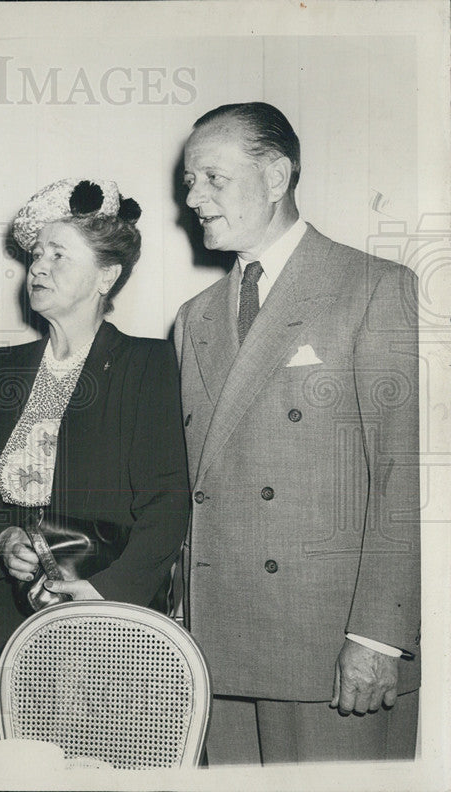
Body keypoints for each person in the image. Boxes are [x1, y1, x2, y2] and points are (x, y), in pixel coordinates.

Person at [174, 102, 420, 763]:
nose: (193, 198)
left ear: (277, 175)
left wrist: (376, 637)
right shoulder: (192, 318)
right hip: (215, 647)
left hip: (328, 651)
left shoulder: (373, 289)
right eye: (189, 182)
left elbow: (406, 478)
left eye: (212, 179)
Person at [0, 178, 191, 747]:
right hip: (13, 613)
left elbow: (168, 500)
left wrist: (109, 592)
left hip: (107, 612)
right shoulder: (3, 369)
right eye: (36, 255)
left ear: (107, 276)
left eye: (59, 255)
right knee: (16, 762)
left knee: (104, 759)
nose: (38, 267)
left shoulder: (147, 363)